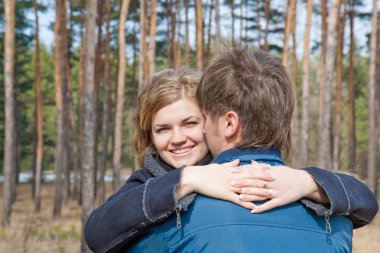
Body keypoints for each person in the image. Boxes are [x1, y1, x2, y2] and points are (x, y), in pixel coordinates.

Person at [84, 65, 378, 253]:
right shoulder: (150, 178)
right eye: (162, 129)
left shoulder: (248, 171)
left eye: (190, 123)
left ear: (216, 123)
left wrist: (310, 182)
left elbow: (365, 201)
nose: (176, 139)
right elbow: (98, 231)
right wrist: (185, 180)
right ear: (149, 134)